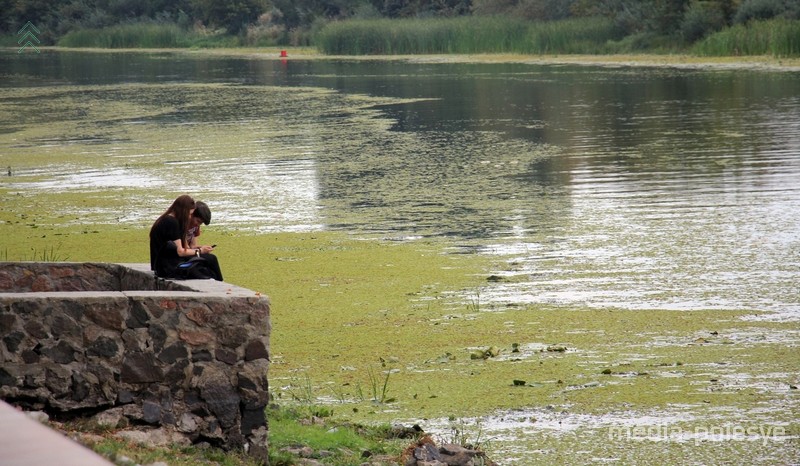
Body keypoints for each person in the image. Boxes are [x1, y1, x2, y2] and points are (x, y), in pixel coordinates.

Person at [149, 195, 223, 281]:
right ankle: (220, 283)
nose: (189, 217)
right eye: (189, 214)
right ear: (183, 210)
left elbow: (184, 248)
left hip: (163, 264)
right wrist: (200, 251)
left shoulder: (166, 219)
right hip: (167, 267)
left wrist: (199, 249)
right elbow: (180, 251)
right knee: (211, 259)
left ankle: (218, 283)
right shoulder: (172, 222)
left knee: (205, 267)